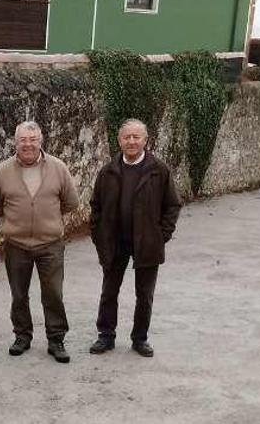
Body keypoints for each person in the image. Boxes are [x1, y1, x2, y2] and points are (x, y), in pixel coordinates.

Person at [0, 121, 79, 363]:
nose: (27, 144)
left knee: (53, 294)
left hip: (50, 244)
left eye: (32, 139)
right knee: (19, 294)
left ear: (41, 141)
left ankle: (56, 339)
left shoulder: (58, 168)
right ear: (15, 142)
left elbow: (71, 202)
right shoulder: (3, 171)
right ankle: (22, 336)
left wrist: (46, 218)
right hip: (16, 244)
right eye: (22, 140)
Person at [88, 119, 182, 357]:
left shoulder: (159, 171)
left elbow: (172, 205)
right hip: (115, 242)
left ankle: (140, 339)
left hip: (147, 243)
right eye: (126, 137)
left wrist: (161, 235)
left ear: (145, 140)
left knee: (145, 294)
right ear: (119, 140)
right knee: (109, 291)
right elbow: (96, 206)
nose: (131, 141)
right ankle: (106, 336)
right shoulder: (108, 171)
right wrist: (99, 236)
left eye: (136, 137)